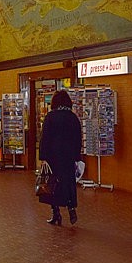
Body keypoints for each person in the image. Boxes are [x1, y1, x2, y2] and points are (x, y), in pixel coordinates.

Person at [38, 90, 83, 225]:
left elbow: (45, 138)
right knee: (68, 181)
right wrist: (77, 156)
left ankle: (56, 213)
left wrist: (43, 156)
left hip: (53, 156)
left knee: (53, 183)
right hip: (68, 156)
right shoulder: (73, 117)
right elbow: (78, 138)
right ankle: (71, 208)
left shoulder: (51, 117)